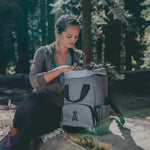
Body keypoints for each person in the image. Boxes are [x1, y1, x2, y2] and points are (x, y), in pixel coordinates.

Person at [3, 15, 86, 150]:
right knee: (31, 99)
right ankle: (13, 132)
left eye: (76, 36)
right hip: (38, 103)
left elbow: (80, 89)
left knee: (29, 131)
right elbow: (33, 81)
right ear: (58, 33)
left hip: (58, 109)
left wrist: (88, 74)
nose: (73, 40)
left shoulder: (79, 56)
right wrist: (60, 70)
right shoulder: (43, 53)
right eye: (69, 36)